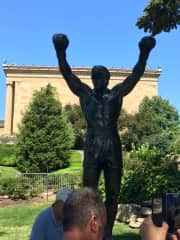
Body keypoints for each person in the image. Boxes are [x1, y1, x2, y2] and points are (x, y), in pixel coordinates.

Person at [53, 33, 156, 240]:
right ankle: (86, 231)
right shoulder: (84, 93)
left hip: (112, 143)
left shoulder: (116, 94)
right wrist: (60, 51)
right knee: (87, 193)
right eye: (95, 77)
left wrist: (144, 53)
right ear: (92, 79)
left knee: (112, 191)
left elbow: (135, 76)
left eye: (102, 77)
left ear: (108, 79)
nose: (99, 80)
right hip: (93, 143)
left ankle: (106, 232)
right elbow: (67, 74)